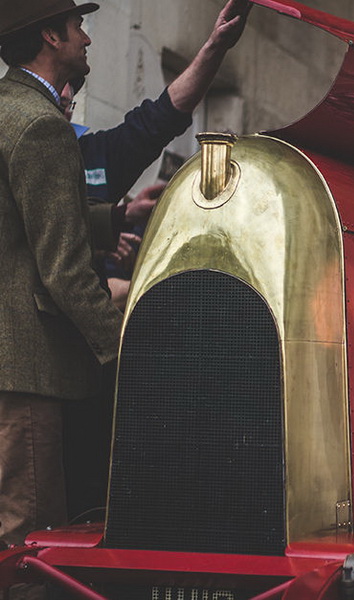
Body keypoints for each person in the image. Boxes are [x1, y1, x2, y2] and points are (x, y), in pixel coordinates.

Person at [57, 0, 251, 522]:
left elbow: (157, 120)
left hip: (88, 375)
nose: (68, 99)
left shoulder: (89, 155)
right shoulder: (25, 139)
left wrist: (213, 49)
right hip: (46, 367)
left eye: (74, 92)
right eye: (60, 90)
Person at [0, 0, 123, 549]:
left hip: (10, 366)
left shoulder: (7, 109)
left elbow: (16, 224)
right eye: (78, 26)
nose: (87, 38)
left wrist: (113, 217)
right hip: (27, 370)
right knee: (27, 541)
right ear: (50, 36)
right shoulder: (41, 126)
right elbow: (64, 271)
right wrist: (122, 347)